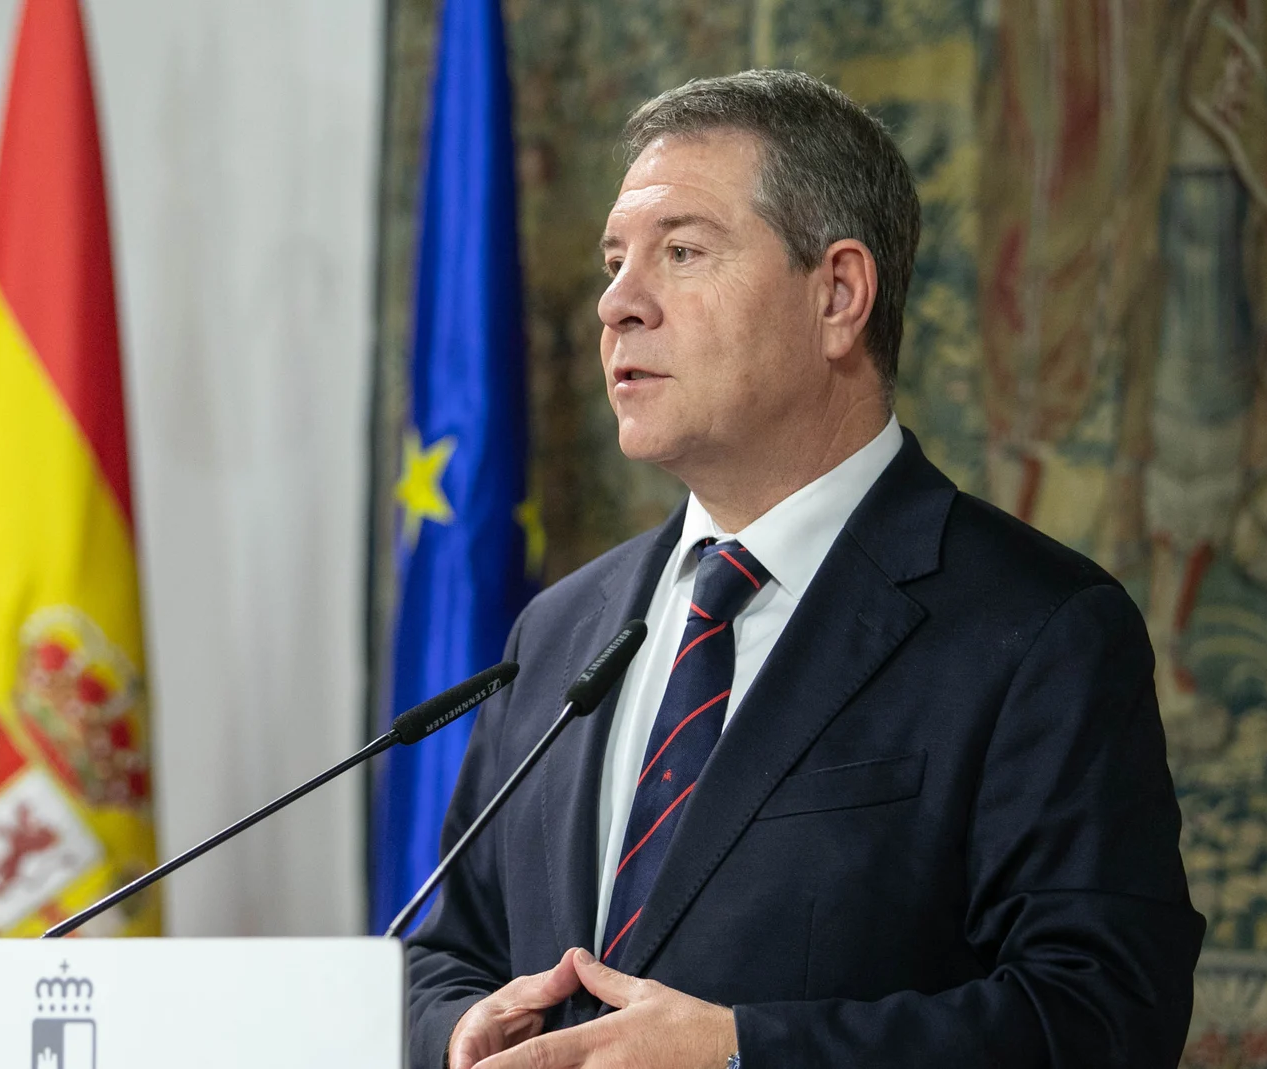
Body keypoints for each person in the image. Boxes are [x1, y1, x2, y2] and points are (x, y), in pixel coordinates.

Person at [405, 70, 1204, 1069]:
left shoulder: (1038, 629)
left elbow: (1101, 1016)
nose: (616, 303)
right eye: (615, 261)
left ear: (837, 295)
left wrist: (744, 1052)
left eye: (681, 252)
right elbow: (446, 953)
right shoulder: (560, 628)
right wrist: (455, 1032)